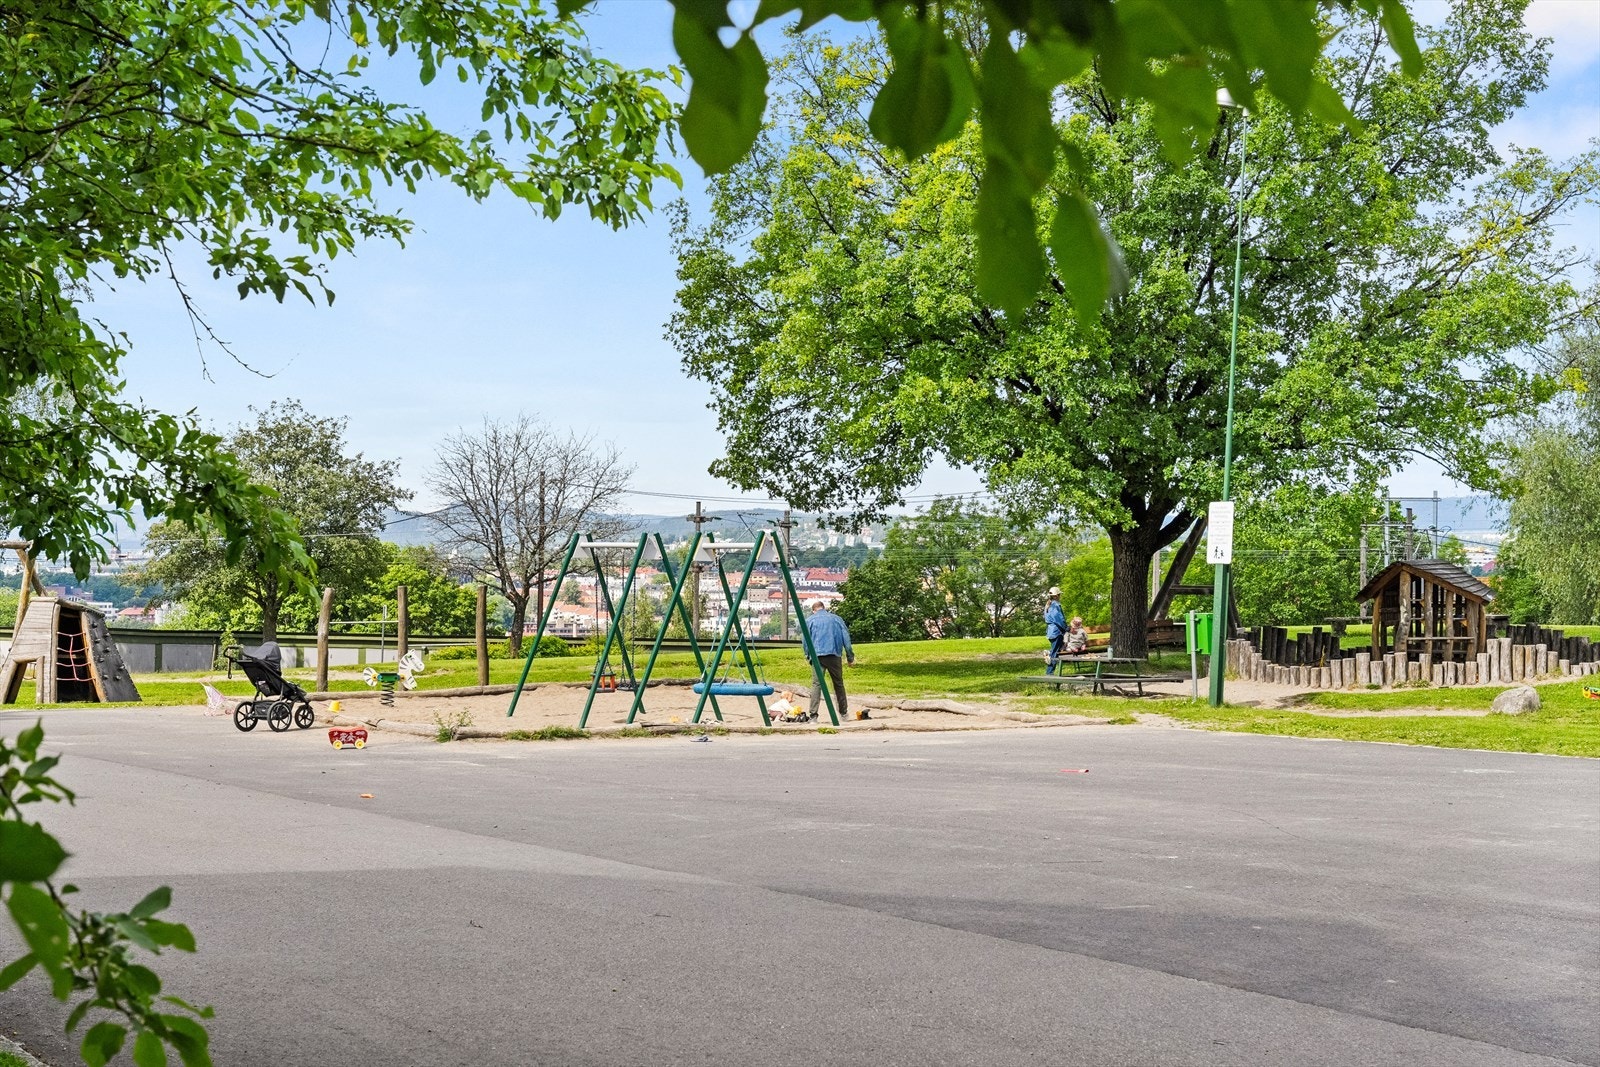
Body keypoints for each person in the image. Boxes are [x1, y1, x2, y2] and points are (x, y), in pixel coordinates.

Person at [804, 600, 857, 720]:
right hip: (834, 654)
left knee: (816, 684)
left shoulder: (809, 620)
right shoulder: (837, 619)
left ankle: (813, 716)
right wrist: (850, 657)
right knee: (838, 683)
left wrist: (808, 655)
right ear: (824, 608)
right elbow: (846, 639)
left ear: (814, 610)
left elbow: (805, 641)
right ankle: (843, 713)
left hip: (817, 655)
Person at [1043, 588, 1067, 675]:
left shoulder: (1048, 604)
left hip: (1051, 630)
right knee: (1055, 653)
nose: (1060, 596)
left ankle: (1049, 652)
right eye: (1059, 595)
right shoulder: (1055, 605)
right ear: (1056, 596)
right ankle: (1049, 673)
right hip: (1056, 631)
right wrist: (1065, 627)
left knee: (1057, 649)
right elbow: (1058, 619)